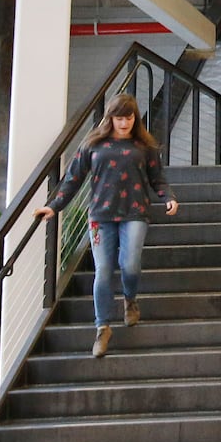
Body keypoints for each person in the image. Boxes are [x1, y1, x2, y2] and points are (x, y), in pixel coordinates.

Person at [39, 93, 177, 358]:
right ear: (110, 118)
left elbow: (157, 178)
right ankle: (102, 328)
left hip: (135, 213)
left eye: (128, 118)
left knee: (130, 264)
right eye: (119, 118)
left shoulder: (145, 147)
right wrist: (53, 206)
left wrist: (168, 197)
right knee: (102, 271)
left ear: (135, 118)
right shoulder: (92, 145)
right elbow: (72, 179)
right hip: (100, 217)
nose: (123, 123)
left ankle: (129, 299)